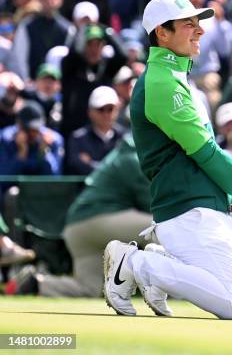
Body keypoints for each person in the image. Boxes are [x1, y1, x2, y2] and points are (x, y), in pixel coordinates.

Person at [105, 0, 232, 320]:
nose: (200, 30)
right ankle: (135, 263)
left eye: (199, 22)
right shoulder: (161, 82)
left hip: (214, 210)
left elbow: (201, 155)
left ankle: (163, 261)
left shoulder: (179, 78)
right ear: (162, 33)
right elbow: (206, 153)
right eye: (188, 24)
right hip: (185, 212)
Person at [5, 134, 153, 297]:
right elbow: (153, 206)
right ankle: (175, 288)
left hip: (76, 229)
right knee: (163, 229)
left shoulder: (121, 153)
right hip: (99, 220)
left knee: (89, 289)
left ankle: (36, 284)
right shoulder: (134, 157)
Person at [65, 86, 125, 175]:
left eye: (110, 109)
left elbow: (129, 168)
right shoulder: (78, 139)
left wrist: (91, 163)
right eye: (101, 109)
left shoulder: (125, 137)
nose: (106, 114)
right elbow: (78, 167)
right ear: (90, 111)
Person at [0, 101, 63, 177]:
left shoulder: (53, 140)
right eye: (27, 129)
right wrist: (21, 154)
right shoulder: (6, 138)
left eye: (35, 129)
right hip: (13, 188)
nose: (31, 134)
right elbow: (4, 180)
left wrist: (45, 154)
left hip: (42, 188)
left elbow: (55, 179)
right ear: (19, 124)